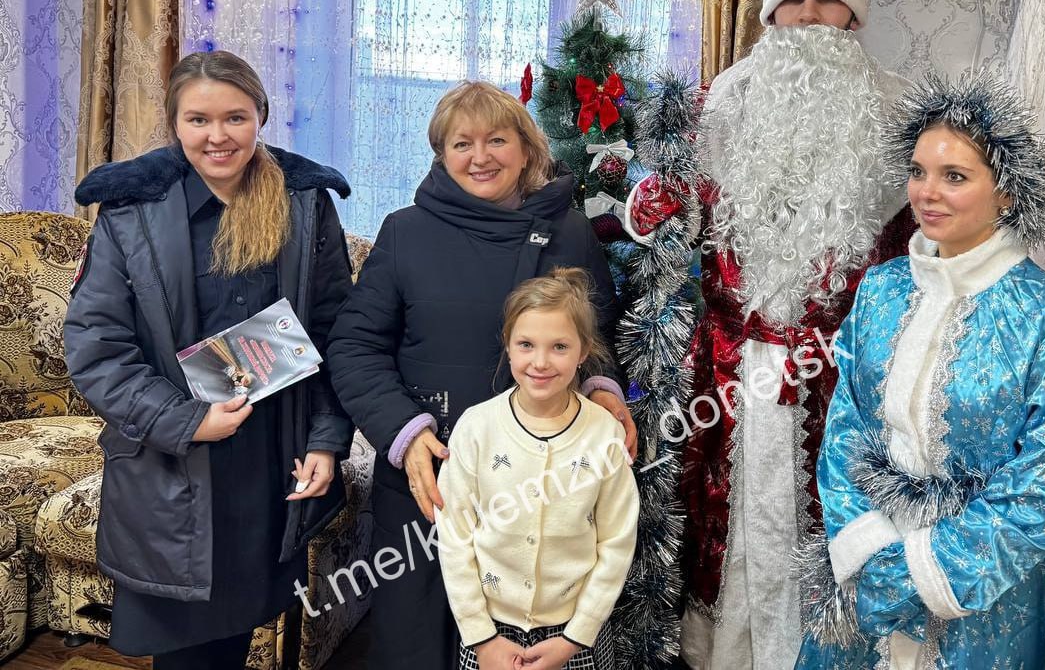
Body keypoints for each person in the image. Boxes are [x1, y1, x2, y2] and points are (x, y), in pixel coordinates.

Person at [625, 0, 917, 668]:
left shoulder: (896, 114)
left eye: (828, 2)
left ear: (854, 17)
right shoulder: (724, 99)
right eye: (796, 0)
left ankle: (815, 652)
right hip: (730, 361)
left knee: (825, 516)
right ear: (771, 12)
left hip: (838, 367)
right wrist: (649, 206)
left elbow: (918, 241)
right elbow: (678, 208)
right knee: (721, 516)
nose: (810, 16)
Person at [794, 77, 1045, 669]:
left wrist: (923, 572)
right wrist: (870, 550)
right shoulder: (881, 289)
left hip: (987, 596)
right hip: (871, 567)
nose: (926, 193)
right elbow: (845, 428)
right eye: (918, 172)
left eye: (954, 176)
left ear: (1007, 193)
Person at [327, 81, 637, 670]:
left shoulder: (570, 232)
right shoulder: (405, 232)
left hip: (539, 486)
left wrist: (602, 390)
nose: (480, 157)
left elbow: (594, 337)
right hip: (431, 475)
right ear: (441, 154)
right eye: (461, 143)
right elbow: (355, 345)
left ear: (526, 148)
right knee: (417, 644)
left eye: (497, 140)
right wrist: (405, 433)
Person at [64, 50, 355, 668]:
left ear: (260, 117)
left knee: (232, 642)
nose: (217, 136)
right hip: (172, 463)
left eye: (235, 118)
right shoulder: (131, 210)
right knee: (184, 652)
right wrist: (187, 420)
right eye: (198, 120)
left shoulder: (306, 203)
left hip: (271, 462)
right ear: (175, 123)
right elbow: (96, 347)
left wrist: (327, 440)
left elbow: (336, 334)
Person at [436, 267, 639, 670]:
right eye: (526, 344)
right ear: (508, 346)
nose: (541, 362)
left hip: (576, 636)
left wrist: (575, 637)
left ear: (583, 351)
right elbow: (454, 536)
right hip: (490, 634)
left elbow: (617, 541)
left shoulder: (604, 434)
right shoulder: (476, 428)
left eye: (560, 346)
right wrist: (482, 638)